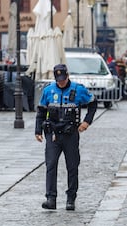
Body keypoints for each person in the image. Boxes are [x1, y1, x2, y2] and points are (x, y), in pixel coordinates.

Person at [35, 64, 97, 210]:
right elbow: (41, 112)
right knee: (50, 165)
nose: (60, 82)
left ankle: (71, 198)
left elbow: (93, 104)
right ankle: (51, 198)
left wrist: (86, 122)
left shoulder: (78, 89)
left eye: (63, 79)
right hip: (53, 135)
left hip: (70, 134)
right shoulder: (48, 90)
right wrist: (38, 130)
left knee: (72, 166)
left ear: (67, 76)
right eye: (58, 79)